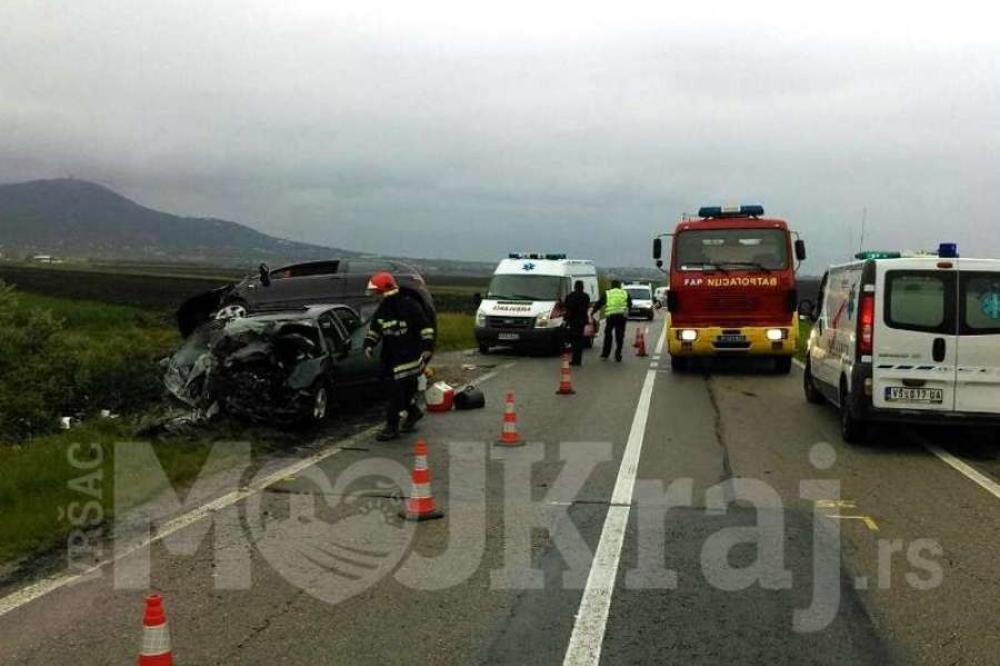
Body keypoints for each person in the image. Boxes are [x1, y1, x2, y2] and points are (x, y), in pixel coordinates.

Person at [363, 272, 436, 441]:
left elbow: (425, 328)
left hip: (409, 357)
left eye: (376, 292)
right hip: (390, 356)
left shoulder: (409, 306)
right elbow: (375, 330)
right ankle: (413, 412)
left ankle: (391, 427)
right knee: (396, 391)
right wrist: (369, 344)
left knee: (395, 393)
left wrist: (427, 348)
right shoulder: (383, 310)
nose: (374, 297)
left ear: (385, 290)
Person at [591, 280, 631, 362]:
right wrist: (626, 313)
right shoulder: (624, 293)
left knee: (608, 334)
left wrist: (592, 312)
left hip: (611, 316)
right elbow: (629, 304)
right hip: (621, 316)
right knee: (620, 335)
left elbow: (599, 304)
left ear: (612, 286)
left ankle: (605, 354)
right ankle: (618, 354)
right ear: (619, 286)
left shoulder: (608, 293)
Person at [563, 280, 591, 366]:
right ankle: (578, 359)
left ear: (575, 287)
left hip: (573, 320)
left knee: (574, 339)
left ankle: (575, 359)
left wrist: (566, 320)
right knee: (579, 339)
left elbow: (567, 308)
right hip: (582, 320)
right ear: (582, 287)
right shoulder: (586, 296)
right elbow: (587, 307)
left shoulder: (570, 296)